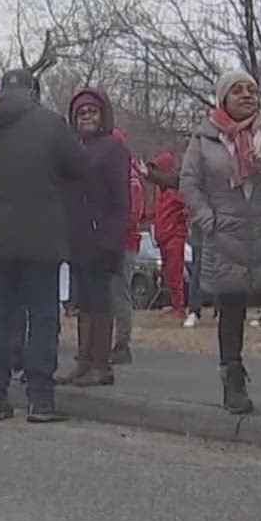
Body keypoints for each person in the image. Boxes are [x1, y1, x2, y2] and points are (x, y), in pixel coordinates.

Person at [0, 68, 92, 421]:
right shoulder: (50, 124)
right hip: (42, 238)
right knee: (43, 318)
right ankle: (40, 399)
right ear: (33, 91)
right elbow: (80, 168)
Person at [181, 71, 261, 414]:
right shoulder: (204, 138)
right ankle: (233, 384)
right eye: (237, 91)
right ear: (222, 98)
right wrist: (207, 220)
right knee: (231, 312)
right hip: (225, 236)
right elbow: (189, 183)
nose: (246, 96)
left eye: (252, 90)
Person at [58, 89, 132, 388]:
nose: (87, 117)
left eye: (92, 112)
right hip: (77, 237)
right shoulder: (73, 147)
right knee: (83, 302)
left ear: (103, 115)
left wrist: (113, 240)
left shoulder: (113, 148)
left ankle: (102, 365)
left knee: (100, 302)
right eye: (81, 113)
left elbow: (120, 200)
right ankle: (84, 360)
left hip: (102, 237)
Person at [108, 129, 146, 365]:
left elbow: (133, 214)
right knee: (111, 294)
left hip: (123, 243)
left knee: (119, 293)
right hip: (113, 241)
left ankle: (122, 343)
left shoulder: (129, 178)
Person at [145, 151, 188, 320]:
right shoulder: (162, 193)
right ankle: (175, 304)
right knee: (169, 274)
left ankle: (180, 307)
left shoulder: (176, 191)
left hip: (174, 238)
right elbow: (158, 213)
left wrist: (181, 217)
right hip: (164, 238)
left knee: (175, 273)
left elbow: (189, 206)